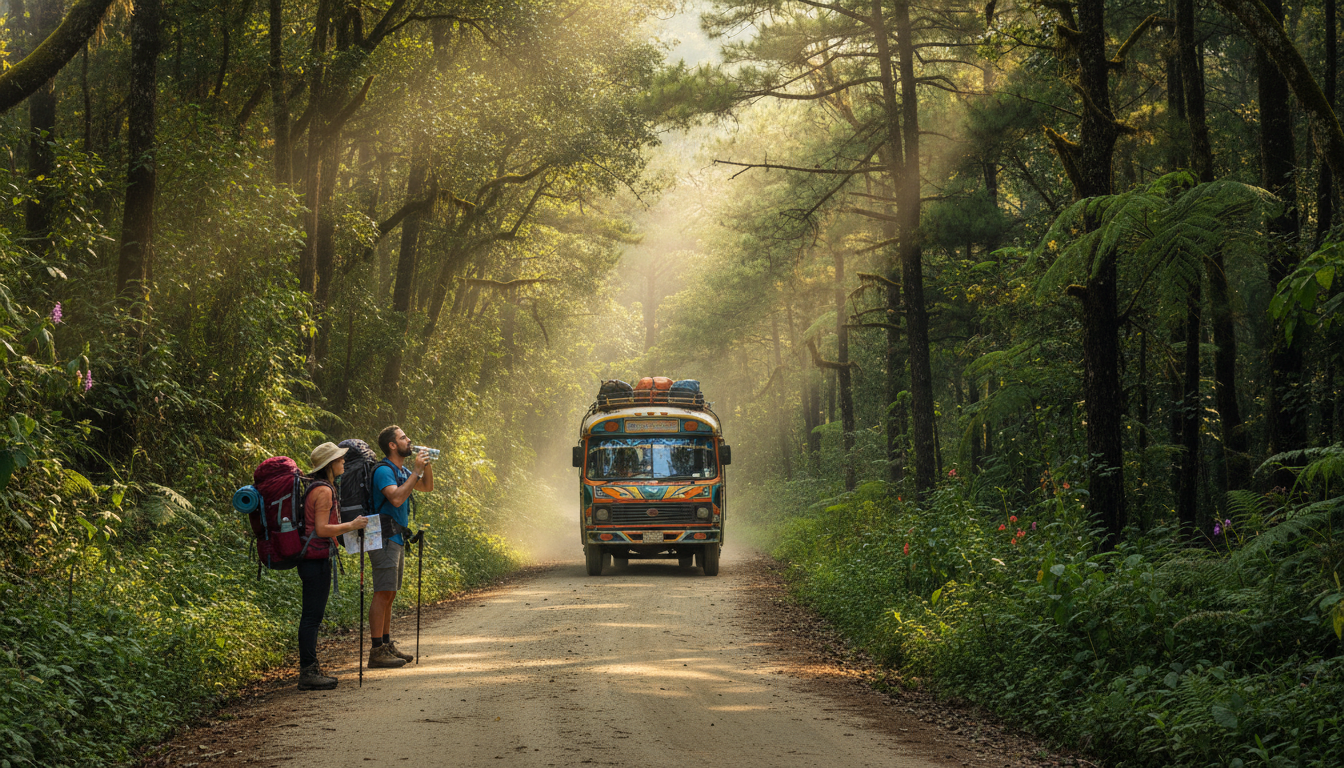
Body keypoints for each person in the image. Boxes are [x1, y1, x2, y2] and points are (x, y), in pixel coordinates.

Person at [297, 442, 369, 690]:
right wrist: (353, 525)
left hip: (314, 558)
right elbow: (321, 529)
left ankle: (310, 669)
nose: (344, 463)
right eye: (340, 460)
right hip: (315, 559)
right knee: (311, 618)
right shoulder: (324, 491)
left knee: (311, 617)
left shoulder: (318, 487)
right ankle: (308, 672)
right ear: (329, 465)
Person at [367, 424, 434, 668]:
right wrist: (415, 471)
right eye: (403, 437)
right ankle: (376, 651)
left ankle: (386, 645)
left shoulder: (403, 470)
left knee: (391, 593)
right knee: (382, 592)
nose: (409, 440)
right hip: (382, 537)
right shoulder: (384, 471)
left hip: (396, 537)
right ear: (392, 445)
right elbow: (395, 497)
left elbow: (427, 487)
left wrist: (425, 466)